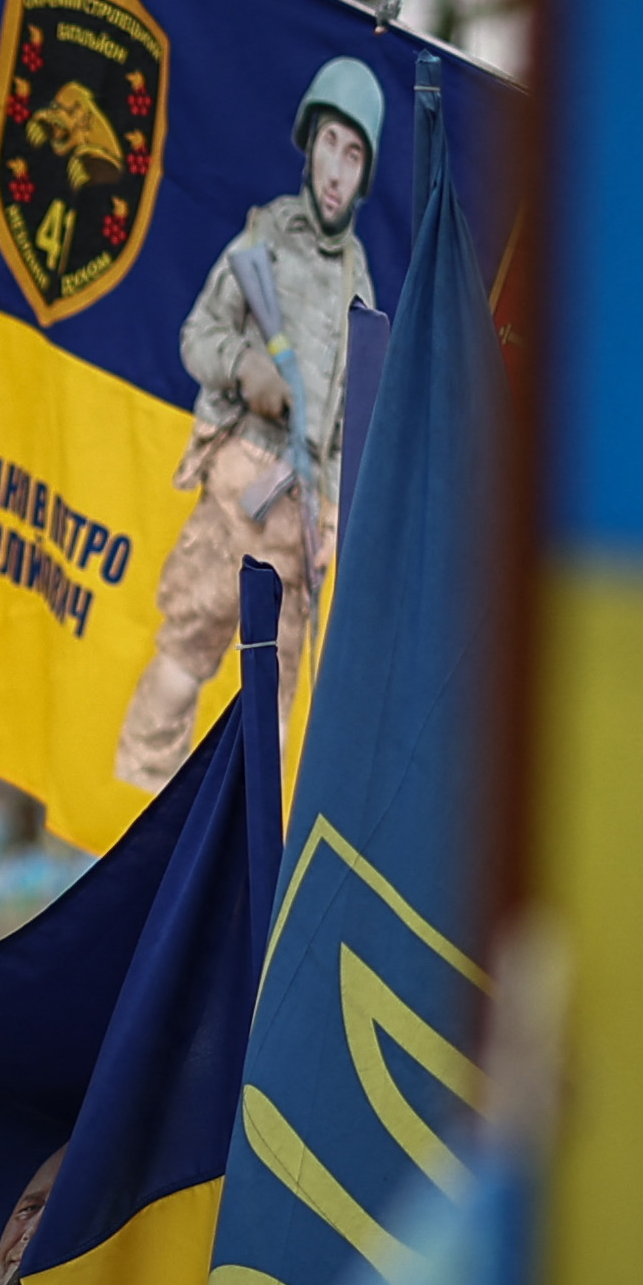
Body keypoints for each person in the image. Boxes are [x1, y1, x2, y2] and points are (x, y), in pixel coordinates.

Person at [115, 56, 382, 790]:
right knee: (182, 657)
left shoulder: (360, 280)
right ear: (308, 145)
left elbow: (345, 425)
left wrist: (332, 516)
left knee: (275, 720)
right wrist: (249, 369)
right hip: (241, 491)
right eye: (328, 143)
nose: (336, 168)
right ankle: (134, 807)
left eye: (353, 154)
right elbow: (197, 337)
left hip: (302, 527)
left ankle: (244, 863)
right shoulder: (263, 242)